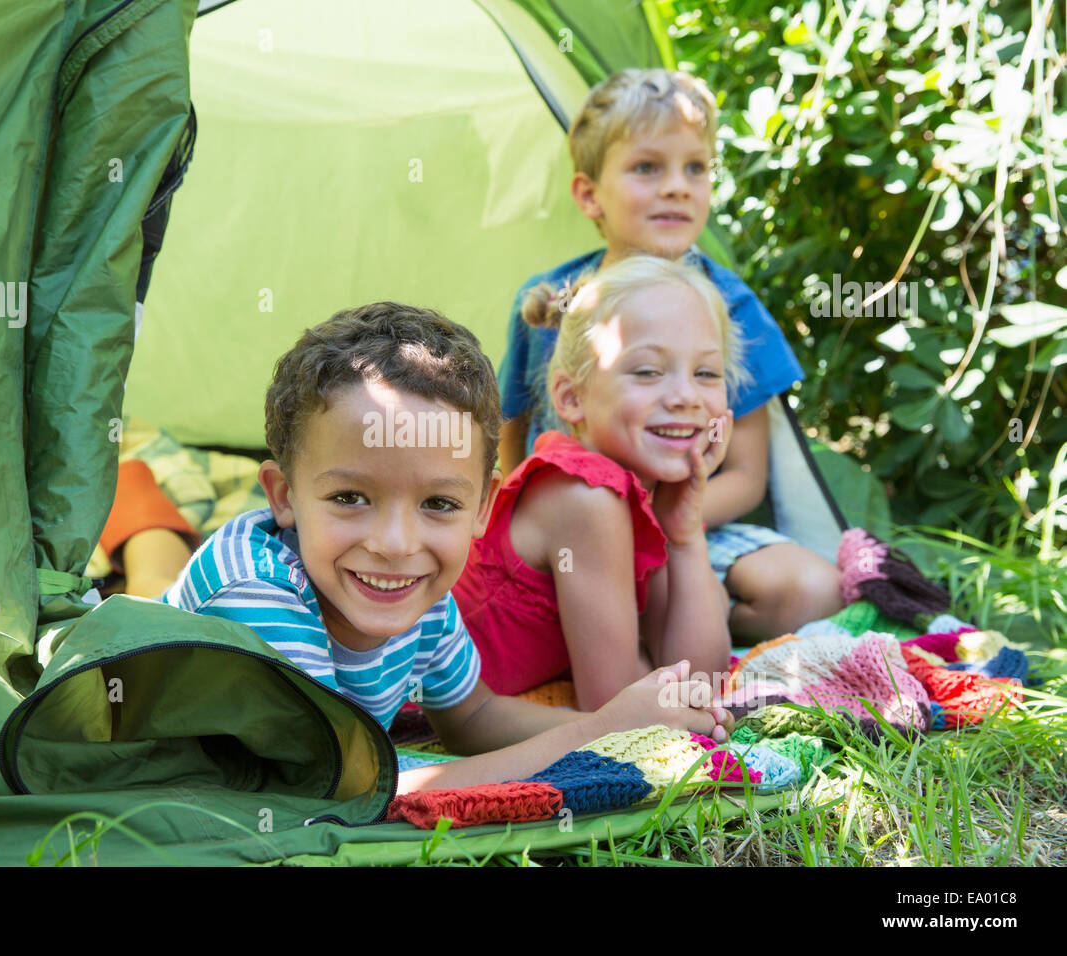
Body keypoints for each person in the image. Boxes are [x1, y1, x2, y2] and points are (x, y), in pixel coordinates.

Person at [161, 302, 732, 793]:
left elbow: (472, 714)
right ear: (284, 497)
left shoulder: (425, 596)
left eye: (438, 504)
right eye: (351, 496)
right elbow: (347, 795)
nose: (396, 544)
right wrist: (596, 735)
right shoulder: (257, 594)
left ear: (484, 507)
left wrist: (620, 721)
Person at [496, 68, 842, 643]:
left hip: (691, 523)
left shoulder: (731, 304)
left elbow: (748, 477)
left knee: (812, 589)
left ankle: (689, 624)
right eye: (647, 168)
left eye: (696, 168)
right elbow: (511, 437)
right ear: (589, 195)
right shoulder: (550, 301)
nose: (677, 186)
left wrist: (658, 527)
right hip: (568, 533)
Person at [455, 257, 739, 711]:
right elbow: (618, 708)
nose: (686, 396)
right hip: (412, 704)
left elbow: (701, 678)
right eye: (647, 371)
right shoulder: (586, 495)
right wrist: (649, 666)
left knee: (714, 594)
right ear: (571, 397)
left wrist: (684, 536)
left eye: (706, 373)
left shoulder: (653, 491)